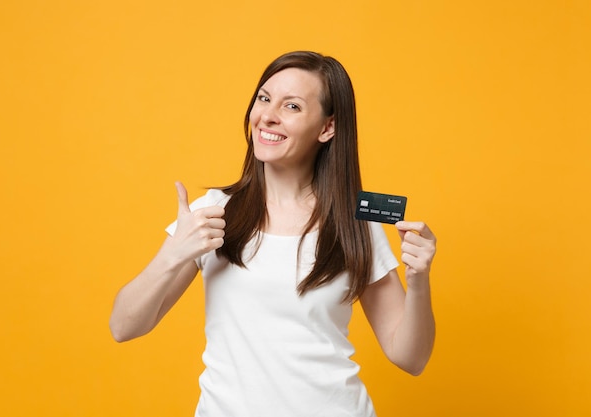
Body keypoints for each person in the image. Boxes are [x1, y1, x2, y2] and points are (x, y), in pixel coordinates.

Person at [109, 51, 437, 417]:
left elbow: (411, 358)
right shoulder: (215, 212)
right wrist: (173, 255)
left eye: (292, 106)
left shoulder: (354, 222)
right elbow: (123, 326)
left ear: (328, 127)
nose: (267, 115)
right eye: (264, 98)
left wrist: (419, 279)